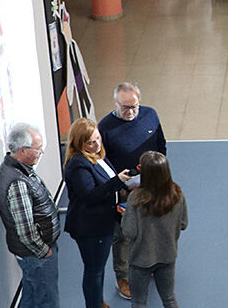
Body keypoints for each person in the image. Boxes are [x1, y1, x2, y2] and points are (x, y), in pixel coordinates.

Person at [97, 82, 167, 300]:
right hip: (123, 191)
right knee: (123, 236)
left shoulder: (150, 115)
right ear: (115, 103)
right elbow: (102, 162)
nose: (131, 112)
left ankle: (152, 263)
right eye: (125, 107)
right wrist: (120, 185)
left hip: (151, 184)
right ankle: (123, 277)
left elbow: (161, 146)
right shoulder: (105, 127)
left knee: (152, 226)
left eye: (134, 106)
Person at [63, 118, 132, 308]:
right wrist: (117, 182)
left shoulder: (98, 156)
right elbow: (90, 196)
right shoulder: (78, 164)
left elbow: (106, 184)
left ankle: (97, 302)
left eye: (98, 138)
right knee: (94, 270)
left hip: (103, 221)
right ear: (79, 143)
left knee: (98, 269)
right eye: (91, 142)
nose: (97, 144)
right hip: (91, 228)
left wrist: (122, 188)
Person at [0, 123, 60, 308]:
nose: (42, 152)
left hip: (30, 254)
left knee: (31, 294)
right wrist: (44, 252)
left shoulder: (14, 170)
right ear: (23, 150)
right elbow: (26, 231)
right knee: (47, 300)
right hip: (37, 255)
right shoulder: (17, 182)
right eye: (38, 148)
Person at [123, 151, 188, 308]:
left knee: (138, 302)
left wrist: (126, 215)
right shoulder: (177, 195)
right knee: (169, 298)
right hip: (167, 256)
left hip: (140, 260)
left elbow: (129, 231)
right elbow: (183, 224)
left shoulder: (135, 199)